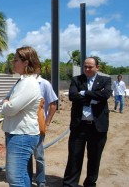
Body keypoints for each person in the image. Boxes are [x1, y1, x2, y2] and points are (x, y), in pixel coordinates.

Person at [63, 57, 112, 187]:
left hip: (98, 128)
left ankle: (90, 184)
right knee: (74, 157)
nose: (87, 69)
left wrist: (85, 93)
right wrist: (94, 97)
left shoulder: (105, 80)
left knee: (94, 159)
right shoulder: (76, 80)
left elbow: (106, 95)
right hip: (79, 126)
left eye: (90, 67)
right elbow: (72, 96)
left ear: (97, 67)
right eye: (85, 67)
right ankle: (69, 184)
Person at [1, 46, 42, 187]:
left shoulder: (29, 83)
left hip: (22, 135)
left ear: (26, 62)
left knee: (15, 178)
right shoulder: (21, 81)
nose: (13, 62)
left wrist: (5, 104)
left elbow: (11, 108)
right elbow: (8, 101)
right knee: (22, 174)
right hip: (16, 133)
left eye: (16, 60)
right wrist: (7, 103)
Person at [34, 75, 58, 187]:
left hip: (38, 126)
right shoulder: (22, 82)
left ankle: (40, 181)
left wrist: (47, 123)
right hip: (24, 126)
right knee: (26, 156)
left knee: (38, 155)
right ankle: (28, 178)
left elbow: (53, 105)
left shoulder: (44, 84)